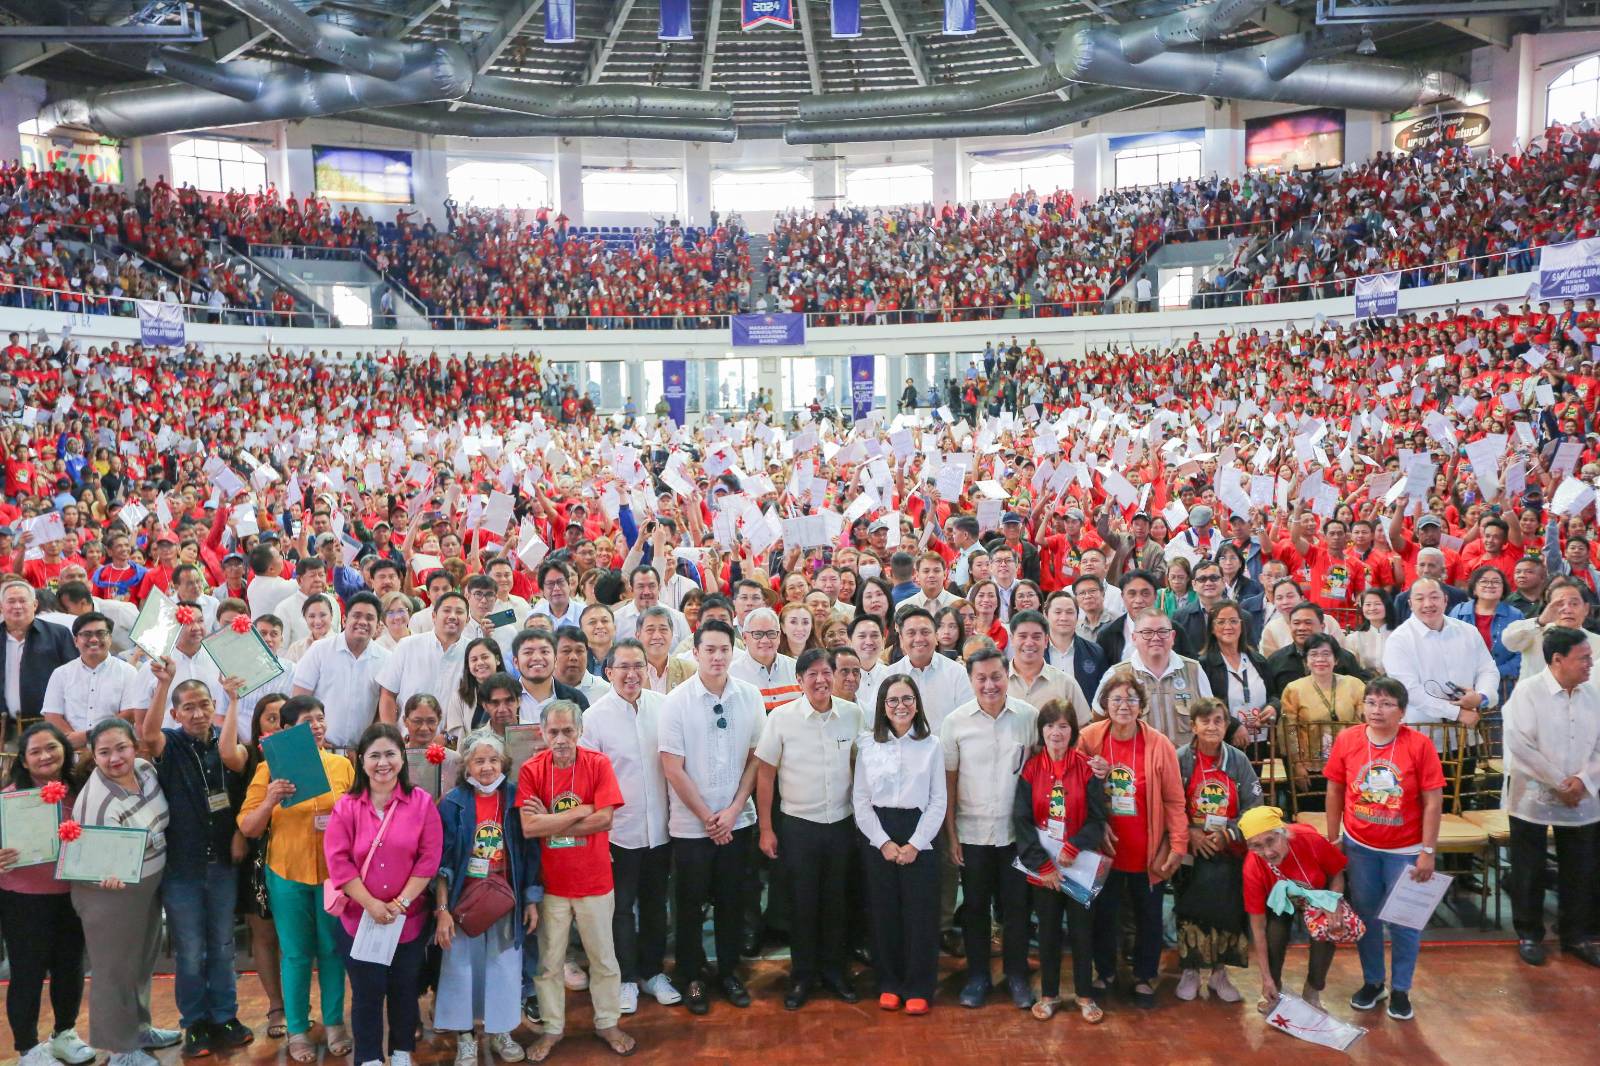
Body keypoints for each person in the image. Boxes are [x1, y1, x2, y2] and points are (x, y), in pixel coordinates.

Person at [138, 661, 254, 1057]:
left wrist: (234, 700)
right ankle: (195, 1024)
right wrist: (164, 683)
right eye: (188, 706)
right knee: (190, 950)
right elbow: (147, 734)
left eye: (204, 704)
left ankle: (225, 1014)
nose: (197, 713)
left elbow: (240, 786)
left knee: (223, 945)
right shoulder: (170, 743)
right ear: (176, 713)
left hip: (222, 862)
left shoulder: (227, 740)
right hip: (181, 867)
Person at [237, 696, 356, 1063]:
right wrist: (271, 797)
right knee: (296, 953)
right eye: (308, 720)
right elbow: (248, 827)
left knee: (333, 951)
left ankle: (335, 1022)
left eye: (321, 718)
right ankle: (298, 1028)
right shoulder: (267, 770)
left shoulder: (342, 766)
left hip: (334, 876)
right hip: (287, 873)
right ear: (287, 730)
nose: (318, 726)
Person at [516, 700, 636, 1060]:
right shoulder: (532, 769)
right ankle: (552, 1029)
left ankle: (607, 1022)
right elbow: (528, 826)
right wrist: (583, 809)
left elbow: (605, 821)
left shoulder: (597, 763)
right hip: (551, 884)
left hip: (595, 880)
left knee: (603, 958)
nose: (561, 739)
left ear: (580, 732)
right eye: (553, 732)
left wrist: (552, 820)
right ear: (542, 733)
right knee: (549, 963)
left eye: (568, 731)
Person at [1323, 676, 1444, 1021]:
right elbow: (1334, 791)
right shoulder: (1347, 739)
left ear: (1402, 712)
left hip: (1405, 849)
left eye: (1387, 703)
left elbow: (1433, 802)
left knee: (1405, 922)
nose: (1377, 710)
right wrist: (1334, 840)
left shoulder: (1419, 745)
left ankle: (1402, 988)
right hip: (1359, 847)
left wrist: (1428, 850)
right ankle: (1373, 982)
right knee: (1367, 918)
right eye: (1371, 702)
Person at [657, 619, 762, 1015]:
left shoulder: (750, 696)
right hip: (691, 826)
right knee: (688, 903)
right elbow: (672, 767)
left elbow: (756, 758)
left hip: (738, 820)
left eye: (724, 650)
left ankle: (730, 970)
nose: (718, 657)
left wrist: (733, 810)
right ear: (696, 653)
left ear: (733, 652)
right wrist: (707, 817)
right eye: (710, 650)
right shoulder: (677, 701)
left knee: (733, 901)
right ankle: (692, 976)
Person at [325, 723, 443, 1066]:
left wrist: (401, 903)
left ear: (402, 759)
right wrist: (372, 904)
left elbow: (429, 858)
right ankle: (369, 1057)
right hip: (358, 920)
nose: (383, 763)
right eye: (374, 755)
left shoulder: (420, 802)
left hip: (407, 920)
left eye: (390, 754)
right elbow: (338, 862)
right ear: (361, 761)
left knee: (405, 991)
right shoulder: (346, 806)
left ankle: (402, 1051)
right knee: (366, 994)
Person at [68, 718, 181, 1066]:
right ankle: (119, 1049)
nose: (115, 758)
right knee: (113, 970)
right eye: (104, 752)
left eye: (121, 748)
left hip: (147, 885)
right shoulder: (97, 800)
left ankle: (139, 1027)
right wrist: (104, 877)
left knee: (142, 962)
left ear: (134, 745)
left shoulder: (146, 771)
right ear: (93, 755)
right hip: (110, 896)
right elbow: (87, 863)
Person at [755, 647, 863, 1010]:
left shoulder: (852, 714)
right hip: (798, 826)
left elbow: (859, 766)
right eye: (811, 674)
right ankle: (801, 976)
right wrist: (766, 828)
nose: (820, 679)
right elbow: (765, 774)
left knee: (837, 904)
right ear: (799, 681)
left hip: (842, 824)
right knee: (802, 906)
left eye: (826, 672)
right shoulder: (782, 718)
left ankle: (834, 972)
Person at [578, 640, 682, 1010]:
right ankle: (624, 978)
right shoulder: (593, 717)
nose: (632, 673)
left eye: (638, 665)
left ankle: (652, 972)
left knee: (656, 905)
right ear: (609, 673)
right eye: (623, 667)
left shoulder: (665, 708)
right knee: (621, 908)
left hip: (661, 828)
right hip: (618, 832)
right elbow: (587, 782)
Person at [434, 729, 542, 1065]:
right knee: (460, 968)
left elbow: (529, 853)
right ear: (466, 764)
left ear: (504, 763)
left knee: (504, 967)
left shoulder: (514, 799)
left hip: (505, 898)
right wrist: (442, 909)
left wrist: (531, 899)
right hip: (463, 900)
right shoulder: (452, 804)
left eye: (493, 760)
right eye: (479, 760)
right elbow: (442, 861)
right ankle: (465, 1036)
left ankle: (501, 1032)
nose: (486, 767)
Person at [1080, 676, 1187, 1009]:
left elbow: (1174, 800)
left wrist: (1178, 845)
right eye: (1116, 699)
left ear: (1142, 706)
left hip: (1148, 850)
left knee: (1148, 915)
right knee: (1104, 916)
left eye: (1130, 700)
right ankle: (1105, 971)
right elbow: (1071, 789)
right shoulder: (1089, 738)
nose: (1123, 706)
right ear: (1104, 704)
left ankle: (1144, 975)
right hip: (1105, 849)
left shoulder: (1159, 744)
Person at [942, 647, 1039, 1009]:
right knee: (976, 909)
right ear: (970, 680)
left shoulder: (1028, 718)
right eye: (980, 678)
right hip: (972, 834)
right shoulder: (955, 722)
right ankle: (978, 976)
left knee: (1016, 909)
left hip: (1016, 835)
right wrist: (951, 835)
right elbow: (948, 784)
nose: (989, 684)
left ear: (1006, 676)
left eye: (996, 676)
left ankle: (1016, 976)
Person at [1500, 626, 1600, 968]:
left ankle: (1576, 935)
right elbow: (1520, 745)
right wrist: (1560, 782)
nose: (1590, 663)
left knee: (1581, 869)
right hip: (1533, 796)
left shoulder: (1593, 695)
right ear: (1558, 660)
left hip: (1583, 798)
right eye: (1583, 658)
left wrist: (1584, 781)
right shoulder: (1527, 692)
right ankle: (1529, 934)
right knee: (1529, 868)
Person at [0, 723, 92, 1066]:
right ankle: (28, 1048)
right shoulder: (9, 799)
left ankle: (65, 1033)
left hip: (72, 894)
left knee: (70, 967)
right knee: (27, 972)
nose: (45, 756)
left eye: (51, 748)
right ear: (23, 760)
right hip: (22, 899)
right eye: (35, 751)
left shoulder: (82, 790)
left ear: (64, 751)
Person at [1011, 699, 1108, 1023]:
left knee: (1083, 933)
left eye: (1063, 726)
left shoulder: (1086, 768)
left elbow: (1097, 819)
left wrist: (1076, 845)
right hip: (1044, 871)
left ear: (1073, 731)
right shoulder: (1031, 769)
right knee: (1048, 932)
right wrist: (1044, 865)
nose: (1056, 732)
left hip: (1078, 867)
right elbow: (1022, 822)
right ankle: (1050, 994)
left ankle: (1084, 994)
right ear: (1042, 730)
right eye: (1050, 725)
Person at [852, 675, 945, 1016]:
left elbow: (938, 801)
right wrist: (884, 842)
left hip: (921, 831)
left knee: (920, 914)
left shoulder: (932, 744)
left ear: (917, 704)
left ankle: (920, 986)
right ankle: (889, 983)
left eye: (907, 699)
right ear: (882, 706)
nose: (900, 706)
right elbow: (860, 801)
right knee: (883, 912)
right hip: (879, 832)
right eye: (893, 700)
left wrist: (916, 844)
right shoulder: (868, 744)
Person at [1172, 698, 1261, 1004]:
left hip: (1229, 848)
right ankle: (1191, 970)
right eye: (1205, 721)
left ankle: (1220, 974)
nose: (1212, 727)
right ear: (1193, 725)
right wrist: (1191, 834)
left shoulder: (1238, 761)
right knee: (1190, 906)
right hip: (1189, 848)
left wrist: (1228, 835)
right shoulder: (1180, 759)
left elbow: (1254, 809)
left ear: (1226, 725)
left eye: (1219, 721)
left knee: (1228, 907)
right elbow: (1169, 804)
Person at [1240, 806, 1348, 1011]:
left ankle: (1313, 989)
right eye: (1257, 846)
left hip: (1318, 894)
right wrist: (1266, 979)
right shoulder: (1252, 867)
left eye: (1271, 841)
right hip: (1280, 903)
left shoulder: (1310, 839)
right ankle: (1274, 988)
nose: (1268, 852)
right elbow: (1258, 928)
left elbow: (1336, 873)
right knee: (1274, 934)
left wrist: (1334, 903)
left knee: (1327, 929)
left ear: (1284, 833)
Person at [233, 694, 288, 1042]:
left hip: (296, 853)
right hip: (257, 853)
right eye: (270, 718)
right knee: (264, 935)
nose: (278, 725)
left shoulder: (309, 757)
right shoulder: (250, 759)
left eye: (285, 719)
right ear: (257, 726)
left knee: (297, 939)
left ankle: (300, 1006)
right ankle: (276, 1006)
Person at [1382, 578, 1497, 733]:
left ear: (1445, 600)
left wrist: (1481, 697)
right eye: (1420, 598)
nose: (1428, 604)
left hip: (1468, 731)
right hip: (1423, 733)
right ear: (1410, 604)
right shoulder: (1398, 640)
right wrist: (1457, 713)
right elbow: (1408, 690)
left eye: (1434, 597)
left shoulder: (1468, 631)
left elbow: (1488, 670)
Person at [1093, 608, 1212, 746]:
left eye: (1162, 632)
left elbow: (1209, 716)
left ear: (1172, 636)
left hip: (1186, 763)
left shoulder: (1194, 670)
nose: (1156, 638)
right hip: (1138, 764)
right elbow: (1099, 721)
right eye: (1147, 632)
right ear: (1134, 638)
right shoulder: (1116, 674)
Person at [289, 591, 389, 751]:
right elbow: (299, 700)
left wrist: (370, 741)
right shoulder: (319, 650)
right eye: (356, 616)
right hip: (320, 748)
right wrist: (312, 739)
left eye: (370, 618)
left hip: (361, 752)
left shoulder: (386, 659)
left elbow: (382, 708)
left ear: (378, 625)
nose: (362, 622)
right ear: (344, 620)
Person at [1278, 634, 1367, 790]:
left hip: (1350, 763)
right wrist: (1297, 764)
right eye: (1313, 654)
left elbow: (1364, 725)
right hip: (1311, 765)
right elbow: (1289, 731)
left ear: (1336, 659)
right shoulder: (1294, 689)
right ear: (1305, 660)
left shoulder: (1355, 685)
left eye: (1326, 654)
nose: (1320, 659)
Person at [0, 580, 77, 740]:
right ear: (1, 607)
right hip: (5, 731)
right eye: (11, 601)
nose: (17, 606)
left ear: (35, 605)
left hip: (48, 727)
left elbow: (75, 678)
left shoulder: (58, 635)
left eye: (23, 601)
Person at [1196, 601, 1273, 754]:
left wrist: (1273, 708)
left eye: (1233, 621)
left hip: (1259, 741)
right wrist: (1233, 727)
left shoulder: (1258, 660)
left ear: (1241, 625)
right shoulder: (1204, 664)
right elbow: (1205, 704)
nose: (1228, 627)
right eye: (1221, 622)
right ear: (1212, 628)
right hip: (1224, 742)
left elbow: (1274, 695)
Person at [1447, 565, 1523, 693]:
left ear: (1503, 589)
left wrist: (1494, 674)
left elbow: (1523, 654)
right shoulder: (1459, 612)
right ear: (1474, 589)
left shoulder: (1515, 615)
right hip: (1463, 684)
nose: (1490, 585)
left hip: (1503, 685)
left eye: (1496, 582)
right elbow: (1445, 645)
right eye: (1484, 581)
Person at [1341, 588, 1395, 675]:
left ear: (1387, 606)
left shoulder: (1399, 635)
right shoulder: (1354, 639)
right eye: (1368, 604)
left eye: (1377, 604)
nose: (1372, 608)